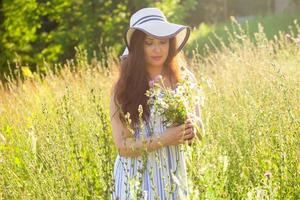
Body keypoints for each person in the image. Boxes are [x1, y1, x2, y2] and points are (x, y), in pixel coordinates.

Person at [110, 7, 203, 200]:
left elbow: (200, 127)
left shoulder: (184, 78)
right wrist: (165, 139)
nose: (157, 49)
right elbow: (123, 146)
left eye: (162, 42)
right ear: (137, 47)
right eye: (149, 43)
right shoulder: (123, 88)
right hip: (134, 181)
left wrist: (193, 128)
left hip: (172, 177)